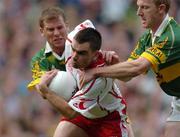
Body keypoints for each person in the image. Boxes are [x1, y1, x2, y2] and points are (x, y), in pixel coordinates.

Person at [27, 6, 134, 137]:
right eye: (50, 29)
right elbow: (88, 24)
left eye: (59, 28)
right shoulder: (70, 41)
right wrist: (43, 89)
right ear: (42, 31)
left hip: (109, 118)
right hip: (83, 114)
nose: (75, 56)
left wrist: (45, 90)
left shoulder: (98, 81)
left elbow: (71, 112)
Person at [81, 0, 180, 137]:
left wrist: (95, 72)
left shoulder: (172, 36)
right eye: (138, 7)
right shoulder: (147, 39)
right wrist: (114, 65)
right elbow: (127, 76)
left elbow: (137, 67)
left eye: (145, 7)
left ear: (161, 9)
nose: (139, 13)